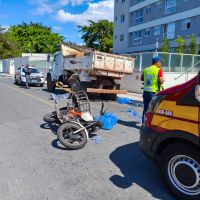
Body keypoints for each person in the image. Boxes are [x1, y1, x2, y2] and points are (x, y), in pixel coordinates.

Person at [141, 57, 164, 123]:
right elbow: (161, 81)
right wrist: (163, 80)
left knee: (145, 108)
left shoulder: (146, 69)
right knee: (154, 109)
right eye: (160, 62)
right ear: (157, 62)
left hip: (145, 91)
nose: (161, 64)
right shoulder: (158, 70)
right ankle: (151, 124)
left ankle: (144, 123)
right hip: (153, 92)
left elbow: (142, 78)